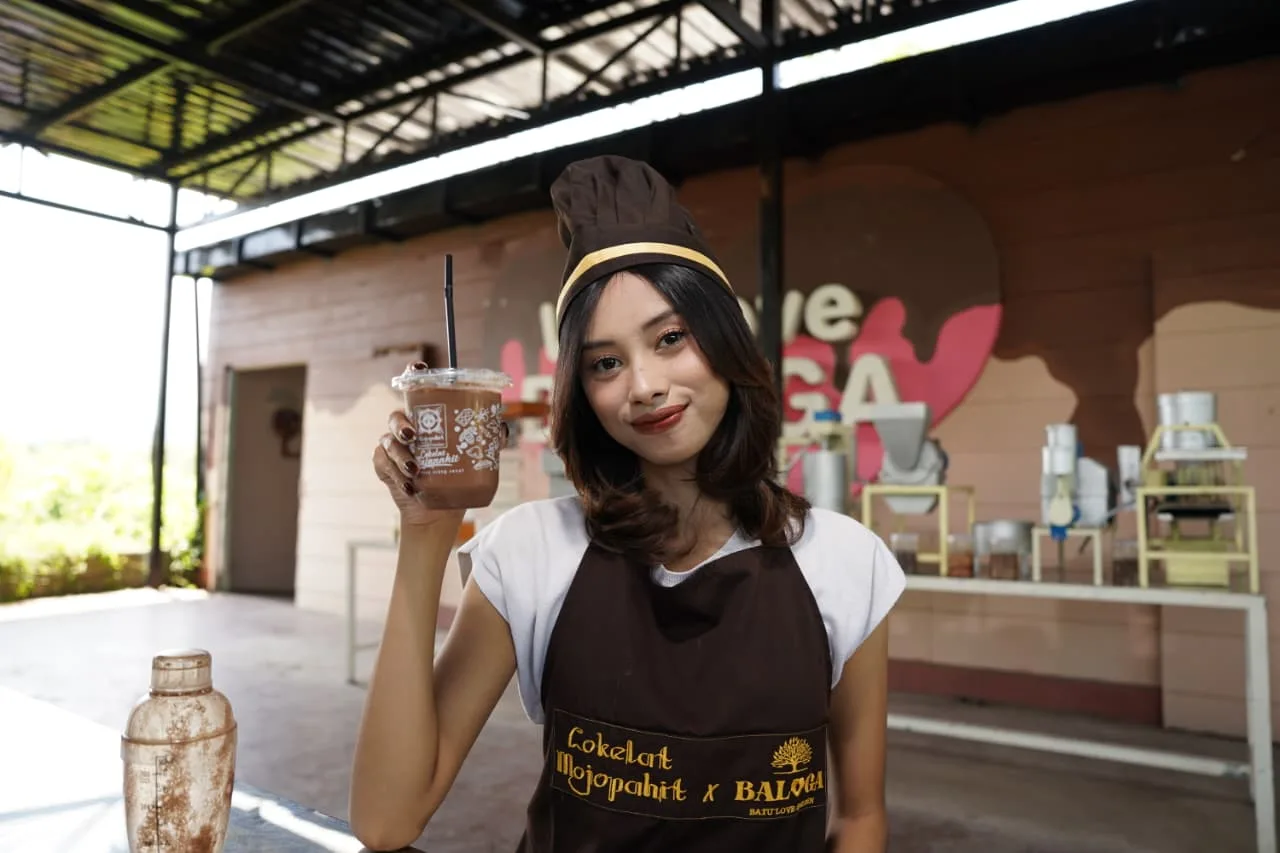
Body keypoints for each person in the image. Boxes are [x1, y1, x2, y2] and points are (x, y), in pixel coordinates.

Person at [351, 155, 906, 853]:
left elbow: (859, 818)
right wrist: (425, 536)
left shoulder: (846, 564)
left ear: (725, 343)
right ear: (582, 391)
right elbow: (386, 820)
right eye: (605, 362)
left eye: (671, 338)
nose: (643, 385)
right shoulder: (531, 553)